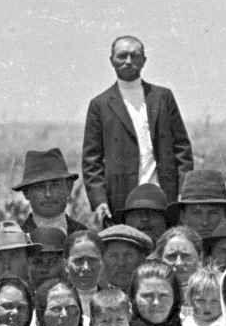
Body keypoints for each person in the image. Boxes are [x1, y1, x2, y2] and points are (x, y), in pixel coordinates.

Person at [78, 37, 188, 221]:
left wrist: (184, 192)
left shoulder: (162, 97)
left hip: (163, 195)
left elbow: (182, 149)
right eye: (122, 56)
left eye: (134, 56)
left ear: (144, 60)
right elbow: (92, 161)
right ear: (112, 60)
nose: (128, 61)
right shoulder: (100, 104)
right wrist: (99, 201)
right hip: (121, 199)